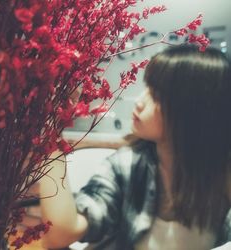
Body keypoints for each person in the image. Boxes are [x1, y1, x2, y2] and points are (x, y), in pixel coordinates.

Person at [39, 44, 231, 250]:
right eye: (147, 88)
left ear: (194, 110)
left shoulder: (222, 176)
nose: (139, 102)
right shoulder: (126, 165)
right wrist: (52, 133)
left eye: (156, 96)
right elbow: (62, 234)